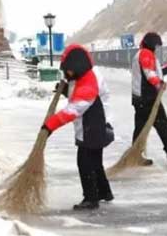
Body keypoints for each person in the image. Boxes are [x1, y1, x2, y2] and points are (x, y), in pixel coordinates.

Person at [42, 44, 114, 211]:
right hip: (94, 126)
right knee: (95, 162)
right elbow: (77, 94)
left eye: (68, 71)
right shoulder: (84, 76)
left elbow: (73, 109)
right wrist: (67, 90)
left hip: (90, 128)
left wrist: (49, 126)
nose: (67, 74)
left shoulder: (88, 83)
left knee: (85, 163)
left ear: (77, 66)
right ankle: (104, 192)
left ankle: (91, 198)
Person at [132, 32, 167, 165]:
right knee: (161, 123)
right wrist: (159, 83)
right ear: (152, 44)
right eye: (157, 45)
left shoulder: (142, 53)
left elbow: (158, 71)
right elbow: (150, 73)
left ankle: (135, 154)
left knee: (141, 127)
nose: (157, 48)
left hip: (140, 98)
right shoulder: (146, 53)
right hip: (147, 98)